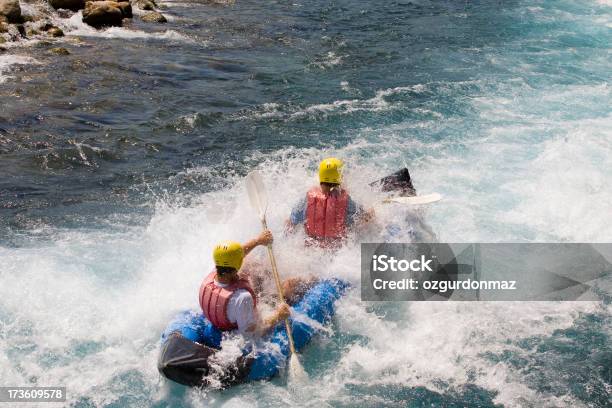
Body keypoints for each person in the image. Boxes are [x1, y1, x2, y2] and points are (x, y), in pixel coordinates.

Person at [199, 230, 309, 336]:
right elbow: (251, 333)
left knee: (251, 264)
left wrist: (258, 241)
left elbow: (236, 254)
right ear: (236, 264)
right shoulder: (242, 298)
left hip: (229, 315)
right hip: (248, 320)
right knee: (290, 285)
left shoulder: (211, 276)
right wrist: (278, 316)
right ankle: (315, 280)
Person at [286, 157, 374, 247]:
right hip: (338, 248)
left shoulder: (308, 198)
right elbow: (365, 217)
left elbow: (291, 223)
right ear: (340, 178)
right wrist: (372, 212)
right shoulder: (347, 201)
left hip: (311, 247)